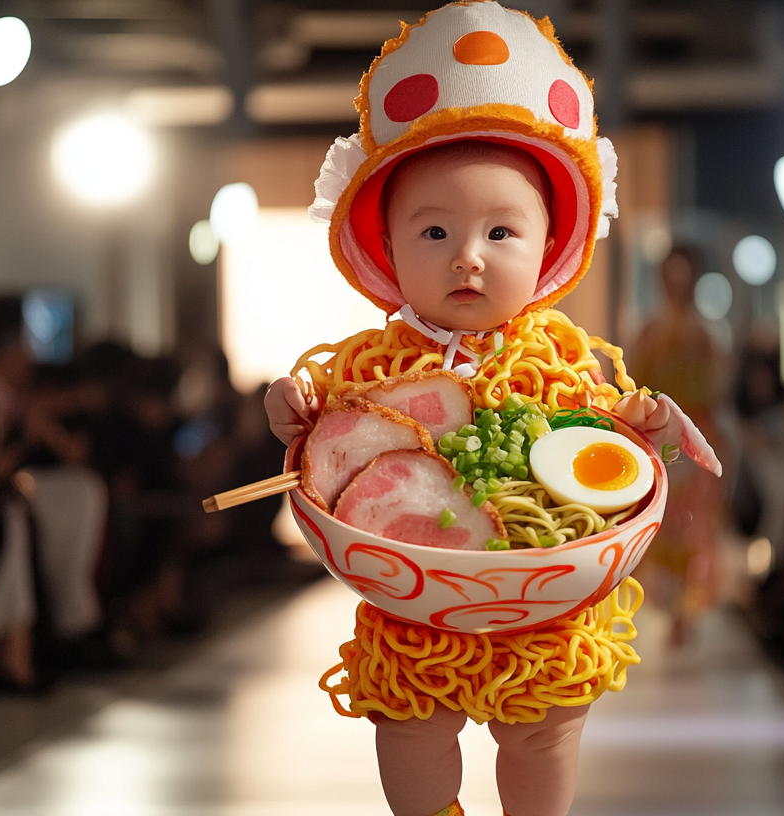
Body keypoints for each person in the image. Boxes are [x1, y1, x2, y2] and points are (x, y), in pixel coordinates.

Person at [263, 5, 718, 815]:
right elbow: (321, 451)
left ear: (546, 247)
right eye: (434, 230)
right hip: (413, 608)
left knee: (545, 728)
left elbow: (607, 444)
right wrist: (290, 411)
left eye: (501, 232)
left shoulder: (569, 360)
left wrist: (643, 434)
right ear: (391, 249)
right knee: (407, 725)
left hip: (541, 607)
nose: (467, 255)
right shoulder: (371, 365)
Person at [630, 244, 725, 644]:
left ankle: (683, 614)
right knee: (664, 524)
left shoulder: (704, 334)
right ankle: (668, 608)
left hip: (696, 431)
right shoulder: (649, 331)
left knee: (692, 528)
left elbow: (715, 390)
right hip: (659, 433)